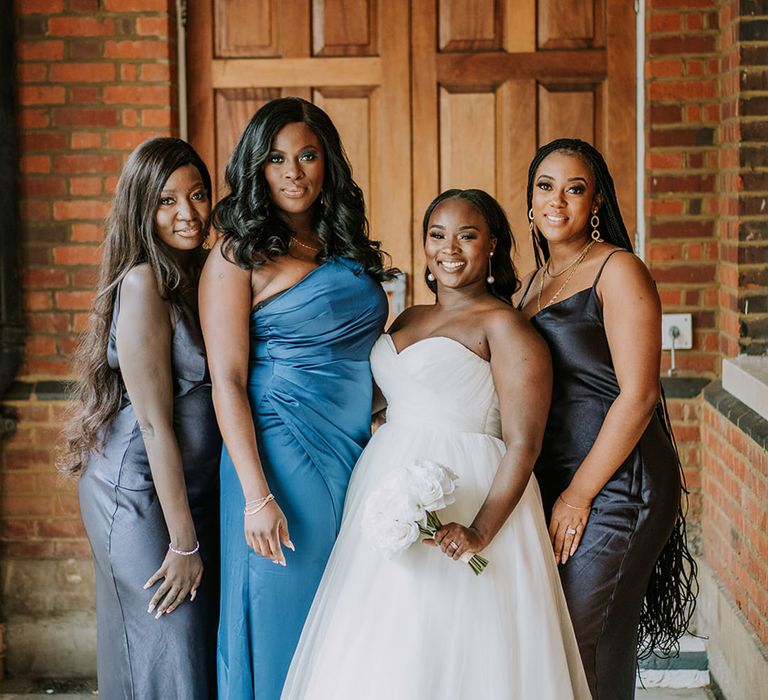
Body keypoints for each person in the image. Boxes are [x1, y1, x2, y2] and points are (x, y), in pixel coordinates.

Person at [282, 189, 591, 699]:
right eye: (438, 235)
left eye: (468, 235)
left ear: (492, 244)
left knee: (458, 647)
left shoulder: (506, 327)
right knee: (387, 644)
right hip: (388, 487)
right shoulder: (406, 319)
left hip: (469, 491)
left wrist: (480, 531)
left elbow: (523, 443)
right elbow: (382, 400)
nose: (451, 248)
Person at [199, 96, 391, 700]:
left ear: (327, 163)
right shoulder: (237, 255)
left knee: (351, 615)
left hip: (356, 449)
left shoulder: (344, 247)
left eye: (307, 155)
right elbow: (225, 380)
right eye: (276, 158)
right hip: (278, 452)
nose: (293, 171)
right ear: (256, 168)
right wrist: (256, 496)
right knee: (286, 606)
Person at [515, 138, 697, 700]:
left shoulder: (619, 270)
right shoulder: (535, 283)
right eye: (546, 187)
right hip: (563, 476)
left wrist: (578, 495)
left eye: (575, 189)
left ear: (596, 203)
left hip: (619, 481)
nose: (557, 201)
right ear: (529, 201)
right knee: (572, 639)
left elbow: (639, 396)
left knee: (586, 635)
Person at [59, 137, 221, 699]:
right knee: (166, 637)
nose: (188, 213)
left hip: (187, 488)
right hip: (137, 491)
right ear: (142, 209)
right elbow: (153, 423)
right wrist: (182, 543)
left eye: (198, 195)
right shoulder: (142, 281)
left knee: (183, 647)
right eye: (168, 200)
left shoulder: (202, 272)